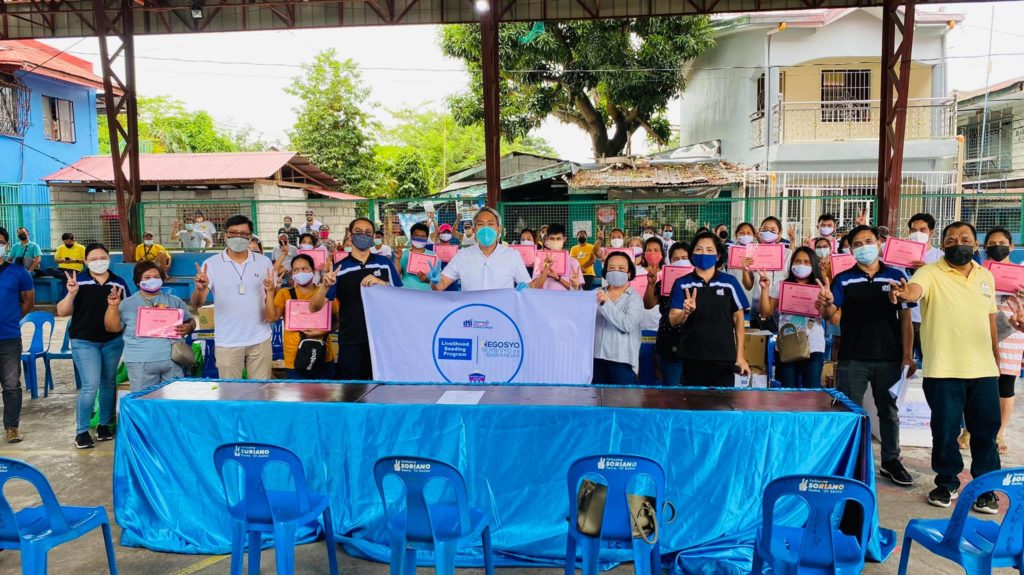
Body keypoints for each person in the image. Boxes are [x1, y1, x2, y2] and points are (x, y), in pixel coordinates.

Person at [890, 221, 1004, 511]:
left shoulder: (985, 277)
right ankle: (946, 483)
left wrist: (995, 354)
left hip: (983, 369)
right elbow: (915, 291)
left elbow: (990, 317)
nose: (958, 243)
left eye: (964, 239)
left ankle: (986, 489)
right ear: (942, 244)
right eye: (951, 240)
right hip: (943, 370)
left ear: (975, 245)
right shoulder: (929, 272)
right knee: (945, 431)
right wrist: (905, 294)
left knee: (985, 433)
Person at [818, 225, 915, 487]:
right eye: (857, 244)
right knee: (851, 411)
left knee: (888, 412)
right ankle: (850, 462)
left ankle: (891, 461)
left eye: (868, 241)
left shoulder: (896, 276)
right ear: (850, 249)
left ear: (879, 243)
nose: (864, 247)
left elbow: (906, 318)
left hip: (889, 357)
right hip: (852, 357)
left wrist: (908, 355)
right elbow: (831, 315)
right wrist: (826, 304)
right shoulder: (843, 279)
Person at [57, 243, 130, 449]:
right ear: (86, 261)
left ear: (109, 259)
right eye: (94, 258)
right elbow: (62, 312)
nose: (99, 261)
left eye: (103, 257)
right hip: (84, 341)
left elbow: (128, 309)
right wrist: (71, 293)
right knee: (90, 385)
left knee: (108, 382)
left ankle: (103, 425)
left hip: (113, 341)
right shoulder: (77, 281)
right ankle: (81, 430)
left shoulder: (119, 283)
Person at [309, 217, 402, 380]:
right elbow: (313, 308)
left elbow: (402, 298)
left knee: (383, 392)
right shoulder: (340, 269)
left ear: (373, 237)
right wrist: (324, 286)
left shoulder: (384, 263)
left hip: (383, 339)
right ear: (350, 236)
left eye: (368, 232)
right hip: (351, 340)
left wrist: (383, 284)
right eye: (358, 232)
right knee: (353, 393)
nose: (363, 235)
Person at [192, 215, 275, 380]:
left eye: (244, 234)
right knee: (231, 393)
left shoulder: (264, 262)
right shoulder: (211, 264)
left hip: (260, 339)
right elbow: (197, 303)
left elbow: (270, 296)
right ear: (225, 236)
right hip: (227, 341)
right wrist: (200, 290)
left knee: (261, 392)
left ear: (250, 237)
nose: (239, 237)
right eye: (233, 233)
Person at [669, 231, 750, 387]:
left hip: (723, 358)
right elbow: (673, 320)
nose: (704, 253)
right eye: (699, 249)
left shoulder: (729, 282)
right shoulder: (682, 283)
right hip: (691, 356)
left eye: (709, 250)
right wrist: (686, 312)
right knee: (693, 408)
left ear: (718, 256)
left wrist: (740, 356)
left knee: (721, 407)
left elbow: (739, 320)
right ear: (692, 254)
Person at [104, 261, 194, 392]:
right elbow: (112, 328)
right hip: (140, 363)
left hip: (172, 361)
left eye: (156, 277)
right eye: (147, 277)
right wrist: (113, 306)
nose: (152, 280)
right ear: (137, 281)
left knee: (172, 403)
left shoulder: (175, 301)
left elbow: (191, 320)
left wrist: (189, 327)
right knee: (145, 403)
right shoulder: (126, 304)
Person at [758, 247, 827, 388]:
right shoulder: (781, 286)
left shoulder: (821, 288)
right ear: (791, 264)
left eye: (807, 262)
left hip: (813, 346)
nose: (802, 265)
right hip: (787, 345)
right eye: (798, 261)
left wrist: (825, 302)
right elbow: (766, 313)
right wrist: (765, 289)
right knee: (788, 392)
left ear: (813, 264)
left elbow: (830, 316)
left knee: (812, 393)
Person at [265, 254, 339, 379]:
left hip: (323, 356)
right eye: (296, 270)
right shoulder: (285, 293)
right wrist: (270, 292)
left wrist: (323, 331)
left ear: (314, 271)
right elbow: (271, 318)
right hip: (294, 358)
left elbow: (337, 321)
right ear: (292, 273)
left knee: (325, 396)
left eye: (305, 269)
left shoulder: (325, 292)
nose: (300, 272)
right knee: (298, 395)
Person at [983, 227, 1023, 454]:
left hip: (1011, 333)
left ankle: (999, 433)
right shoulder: (979, 271)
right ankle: (970, 428)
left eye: (1001, 242)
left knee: (1005, 386)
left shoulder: (1022, 272)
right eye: (991, 243)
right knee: (976, 383)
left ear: (1011, 246)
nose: (996, 246)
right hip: (980, 332)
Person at [430, 207, 531, 292]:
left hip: (502, 313)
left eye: (490, 224)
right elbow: (441, 285)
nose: (486, 228)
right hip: (471, 314)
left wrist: (527, 288)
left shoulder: (512, 255)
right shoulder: (462, 256)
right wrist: (435, 282)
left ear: (499, 228)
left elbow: (528, 285)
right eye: (480, 224)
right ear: (474, 229)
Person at [0, 227, 34, 443]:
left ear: (6, 245)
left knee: (11, 384)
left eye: (0, 241)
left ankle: (12, 427)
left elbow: (28, 301)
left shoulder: (18, 272)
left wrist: (11, 318)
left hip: (9, 338)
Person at [592, 252, 643, 384]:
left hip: (622, 361)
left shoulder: (634, 298)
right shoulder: (596, 292)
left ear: (629, 273)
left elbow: (628, 325)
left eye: (621, 268)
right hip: (596, 358)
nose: (616, 271)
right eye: (611, 268)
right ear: (605, 271)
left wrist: (605, 303)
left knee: (622, 401)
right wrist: (575, 288)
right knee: (597, 400)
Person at [644, 242, 689, 386]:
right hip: (668, 342)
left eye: (684, 257)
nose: (680, 261)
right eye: (676, 259)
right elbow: (649, 304)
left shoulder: (700, 283)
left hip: (693, 343)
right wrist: (651, 284)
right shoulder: (663, 282)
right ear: (670, 261)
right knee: (671, 388)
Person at [904, 213, 944, 363]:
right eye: (914, 231)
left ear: (931, 232)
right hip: (903, 318)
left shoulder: (940, 258)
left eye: (922, 230)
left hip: (927, 320)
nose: (917, 234)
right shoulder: (899, 253)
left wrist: (928, 271)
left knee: (930, 363)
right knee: (900, 365)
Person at [531, 224, 583, 290]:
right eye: (552, 238)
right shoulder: (539, 260)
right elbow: (536, 287)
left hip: (565, 299)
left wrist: (558, 278)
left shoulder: (573, 262)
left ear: (564, 239)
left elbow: (577, 290)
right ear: (547, 239)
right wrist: (546, 269)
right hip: (543, 299)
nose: (555, 241)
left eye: (558, 238)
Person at [400, 223, 436, 291]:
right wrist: (397, 259)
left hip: (426, 293)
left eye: (423, 236)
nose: (419, 238)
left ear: (427, 238)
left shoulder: (433, 256)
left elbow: (438, 280)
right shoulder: (403, 254)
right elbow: (395, 277)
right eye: (416, 235)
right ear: (411, 236)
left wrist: (427, 279)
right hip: (406, 292)